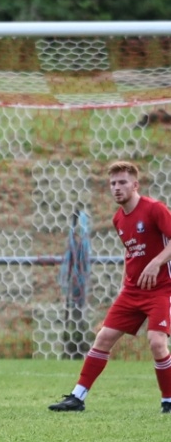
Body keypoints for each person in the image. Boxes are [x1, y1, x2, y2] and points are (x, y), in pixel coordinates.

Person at [49, 161, 171, 413]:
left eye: (123, 182)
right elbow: (132, 255)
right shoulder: (118, 219)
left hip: (161, 289)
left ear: (135, 185)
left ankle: (168, 401)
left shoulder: (154, 209)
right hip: (131, 291)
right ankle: (77, 397)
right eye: (113, 183)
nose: (117, 188)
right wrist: (122, 287)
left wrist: (157, 263)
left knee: (157, 342)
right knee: (103, 338)